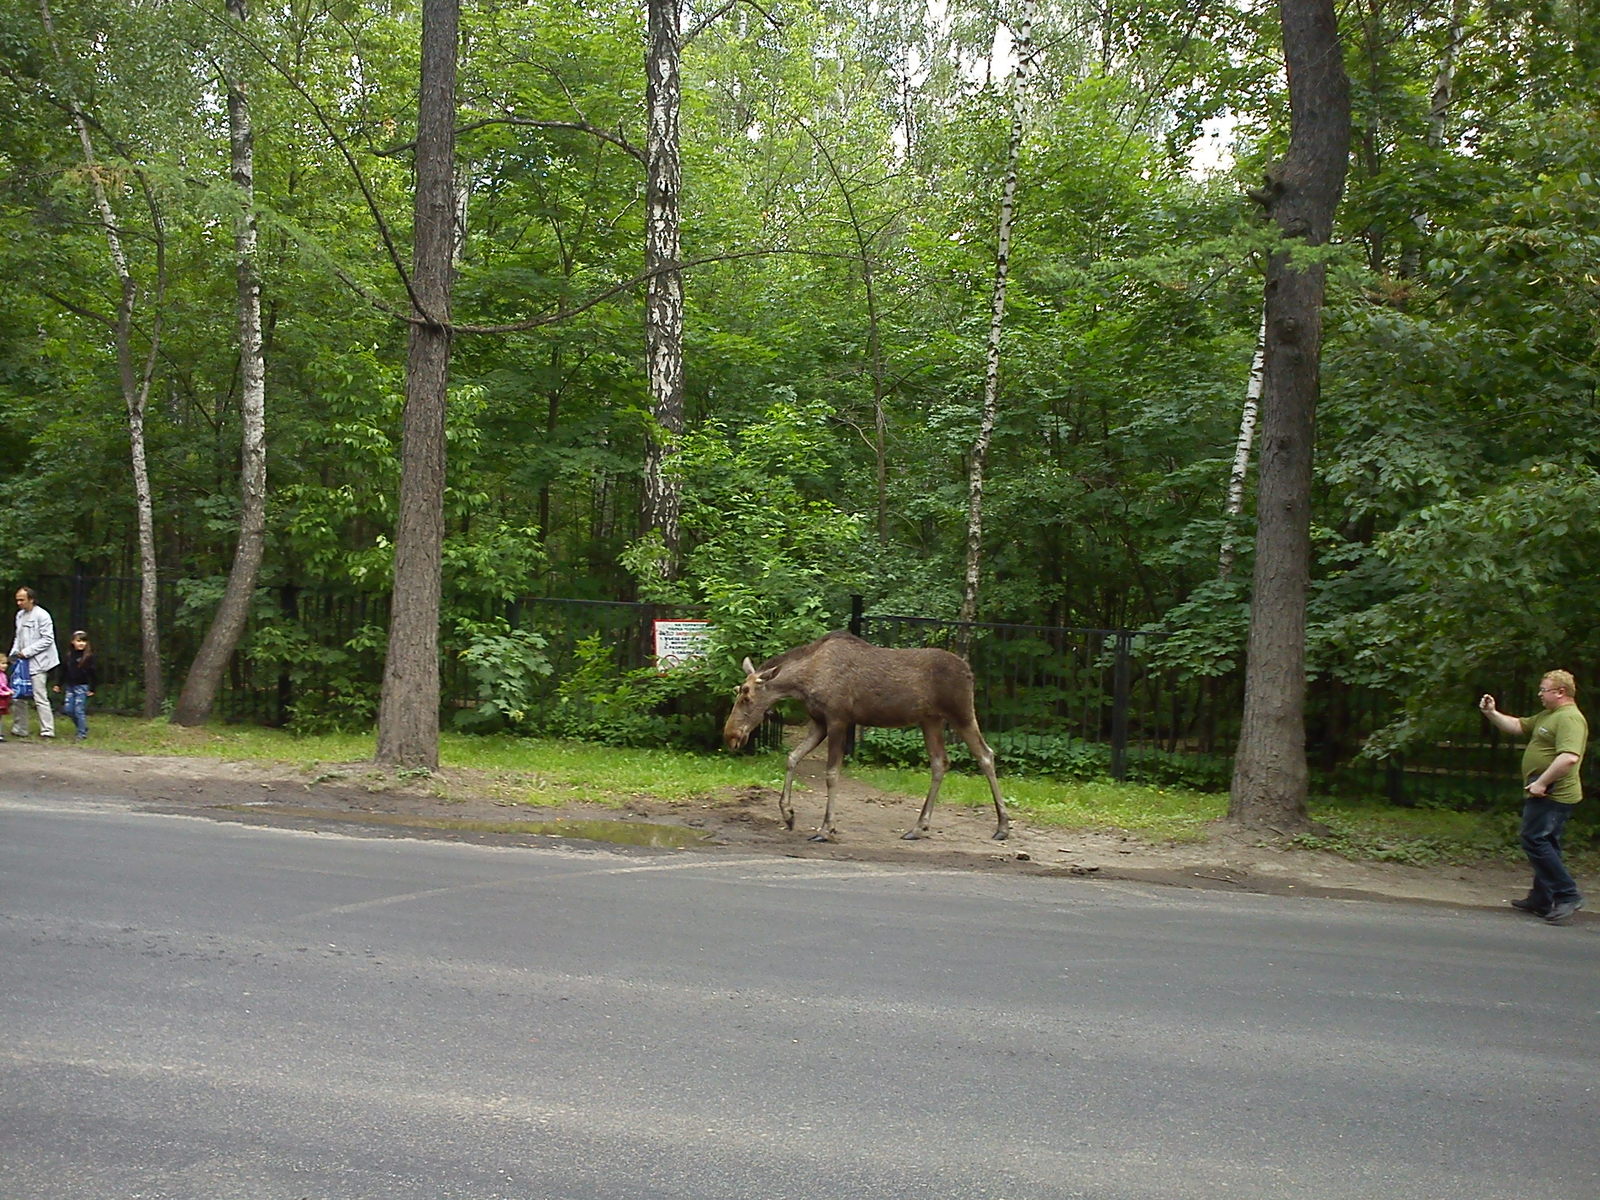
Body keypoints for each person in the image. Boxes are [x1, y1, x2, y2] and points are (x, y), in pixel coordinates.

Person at [1479, 670, 1588, 925]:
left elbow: (1569, 757)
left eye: (1544, 690)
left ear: (1560, 692)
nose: (1539, 694)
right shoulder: (1549, 715)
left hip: (1552, 793)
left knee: (1534, 840)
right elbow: (1518, 726)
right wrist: (1492, 713)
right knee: (1547, 842)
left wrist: (1541, 783)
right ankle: (1541, 898)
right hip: (1544, 790)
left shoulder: (1570, 718)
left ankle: (1567, 894)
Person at [9, 586, 59, 739]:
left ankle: (47, 730)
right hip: (21, 662)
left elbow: (47, 639)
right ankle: (20, 728)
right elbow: (19, 637)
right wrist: (14, 653)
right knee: (18, 695)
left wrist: (28, 652)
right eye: (17, 600)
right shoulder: (19, 616)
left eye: (22, 600)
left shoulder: (42, 615)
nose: (19, 603)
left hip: (39, 662)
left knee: (39, 695)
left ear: (31, 599)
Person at [53, 629, 96, 742]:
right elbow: (64, 671)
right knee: (69, 709)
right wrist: (58, 684)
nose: (81, 643)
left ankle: (81, 733)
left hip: (82, 686)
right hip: (70, 686)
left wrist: (92, 688)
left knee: (79, 710)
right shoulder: (69, 656)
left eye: (84, 641)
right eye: (78, 641)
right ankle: (82, 727)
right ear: (73, 642)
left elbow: (93, 673)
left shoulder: (88, 657)